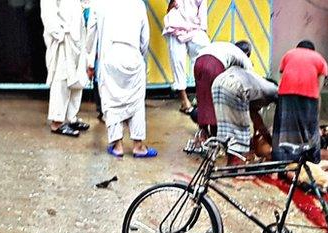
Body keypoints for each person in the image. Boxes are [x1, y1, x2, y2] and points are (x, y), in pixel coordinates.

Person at [86, 0, 157, 158]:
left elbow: (91, 34)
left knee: (110, 101)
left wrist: (90, 63)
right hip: (132, 54)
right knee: (137, 102)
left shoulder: (98, 3)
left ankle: (117, 145)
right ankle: (139, 146)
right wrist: (140, 57)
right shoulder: (138, 4)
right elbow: (145, 38)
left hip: (109, 56)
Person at [272, 41, 328, 163]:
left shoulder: (288, 54)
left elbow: (280, 78)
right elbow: (319, 88)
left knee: (285, 125)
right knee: (309, 127)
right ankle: (311, 158)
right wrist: (317, 115)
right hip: (309, 95)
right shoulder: (320, 59)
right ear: (312, 50)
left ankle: (282, 158)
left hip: (286, 93)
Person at [41, 0, 91, 138]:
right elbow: (48, 11)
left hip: (78, 35)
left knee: (77, 78)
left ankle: (71, 118)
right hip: (64, 38)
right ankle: (57, 121)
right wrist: (58, 33)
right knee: (61, 79)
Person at [211, 66, 278, 164]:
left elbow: (259, 125)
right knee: (241, 132)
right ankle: (236, 164)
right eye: (267, 104)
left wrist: (266, 139)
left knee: (227, 130)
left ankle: (229, 162)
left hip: (218, 83)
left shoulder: (253, 89)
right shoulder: (273, 90)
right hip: (236, 85)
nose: (266, 105)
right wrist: (276, 147)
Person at [193, 41, 252, 140]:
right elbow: (249, 80)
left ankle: (203, 132)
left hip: (198, 63)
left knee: (203, 98)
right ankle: (215, 136)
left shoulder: (226, 48)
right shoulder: (243, 57)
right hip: (213, 65)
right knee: (217, 101)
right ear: (247, 53)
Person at [163, 0, 210, 114]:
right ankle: (194, 99)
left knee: (178, 62)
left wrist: (170, 7)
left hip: (177, 26)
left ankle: (187, 101)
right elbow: (202, 10)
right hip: (188, 26)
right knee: (200, 61)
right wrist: (203, 29)